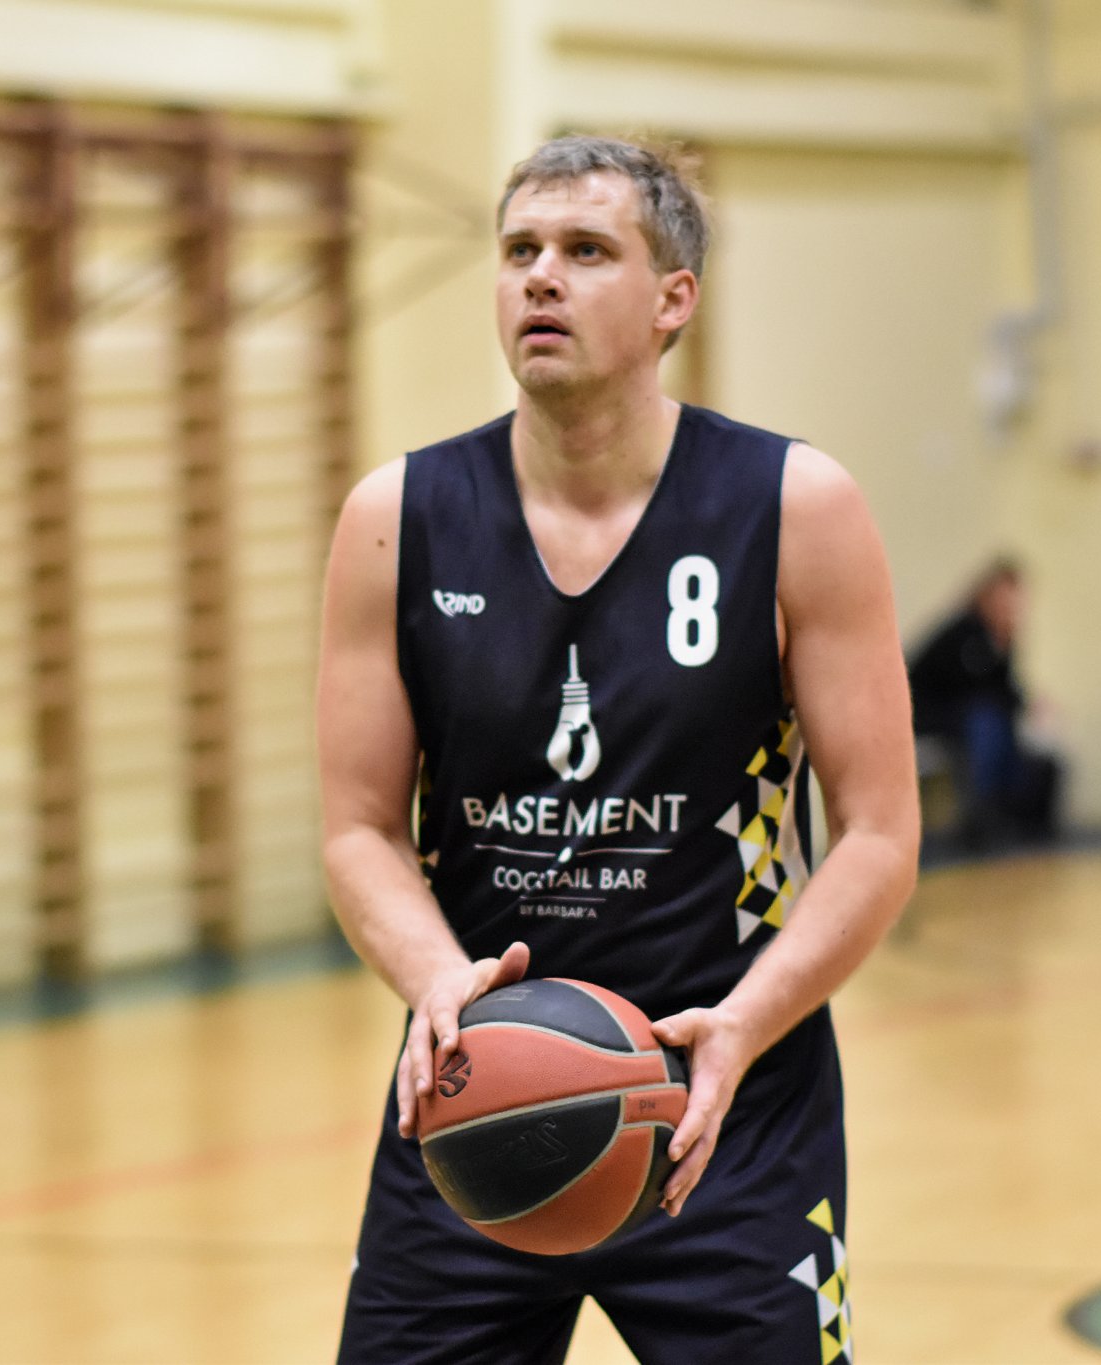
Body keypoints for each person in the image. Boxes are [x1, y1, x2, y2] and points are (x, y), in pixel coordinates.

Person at [317, 134, 920, 1364]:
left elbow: (878, 833)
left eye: (587, 251)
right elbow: (358, 827)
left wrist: (744, 1024)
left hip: (725, 1112)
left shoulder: (794, 508)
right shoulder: (396, 519)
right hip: (477, 1105)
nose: (540, 276)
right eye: (519, 252)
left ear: (670, 301)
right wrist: (436, 984)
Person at [906, 558, 1063, 845]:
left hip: (966, 718)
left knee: (1009, 728)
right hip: (928, 715)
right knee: (986, 722)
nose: (1009, 607)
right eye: (1003, 598)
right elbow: (969, 687)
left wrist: (1031, 704)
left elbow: (1005, 689)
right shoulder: (963, 632)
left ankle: (1019, 816)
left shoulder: (1002, 638)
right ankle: (983, 815)